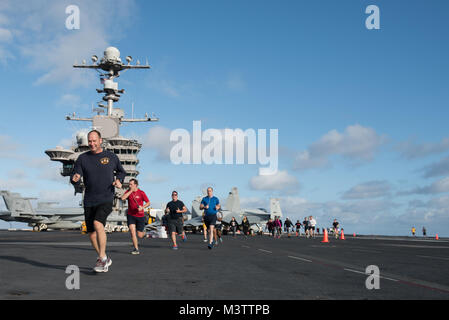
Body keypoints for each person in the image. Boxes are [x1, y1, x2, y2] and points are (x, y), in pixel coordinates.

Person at [71, 130, 126, 273]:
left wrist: (119, 181)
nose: (92, 143)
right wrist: (74, 178)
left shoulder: (111, 157)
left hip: (106, 197)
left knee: (98, 223)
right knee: (91, 234)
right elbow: (75, 174)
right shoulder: (82, 158)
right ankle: (104, 257)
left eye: (94, 140)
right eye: (90, 141)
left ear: (100, 140)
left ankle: (101, 259)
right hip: (89, 199)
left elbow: (121, 171)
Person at [121, 178, 150, 255]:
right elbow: (122, 198)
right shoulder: (128, 191)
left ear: (135, 185)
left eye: (131, 184)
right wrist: (130, 191)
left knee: (139, 235)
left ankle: (144, 234)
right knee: (133, 233)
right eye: (129, 184)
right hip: (131, 215)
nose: (129, 185)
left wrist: (142, 207)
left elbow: (148, 202)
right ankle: (136, 249)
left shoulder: (141, 193)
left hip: (140, 216)